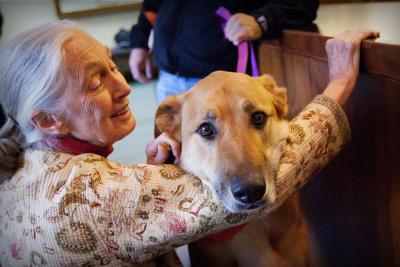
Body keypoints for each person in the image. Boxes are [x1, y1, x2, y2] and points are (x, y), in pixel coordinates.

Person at [0, 20, 377, 266]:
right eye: (96, 82)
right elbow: (246, 191)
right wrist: (341, 82)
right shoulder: (89, 196)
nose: (125, 87)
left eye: (113, 67)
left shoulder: (31, 170)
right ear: (47, 119)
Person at [129, 1, 319, 102]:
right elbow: (153, 5)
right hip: (168, 78)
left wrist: (262, 20)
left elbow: (302, 3)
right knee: (171, 160)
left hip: (224, 82)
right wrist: (140, 42)